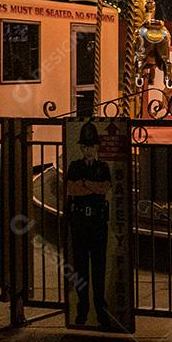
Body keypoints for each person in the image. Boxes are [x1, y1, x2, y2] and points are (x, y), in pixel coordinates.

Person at [66, 121, 112, 329]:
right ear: (82, 148)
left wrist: (85, 184)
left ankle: (100, 308)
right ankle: (83, 307)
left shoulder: (102, 168)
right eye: (86, 147)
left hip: (96, 222)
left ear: (96, 148)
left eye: (91, 147)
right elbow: (72, 190)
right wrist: (91, 188)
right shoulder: (75, 166)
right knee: (81, 267)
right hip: (81, 222)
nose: (88, 150)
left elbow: (104, 188)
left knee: (98, 267)